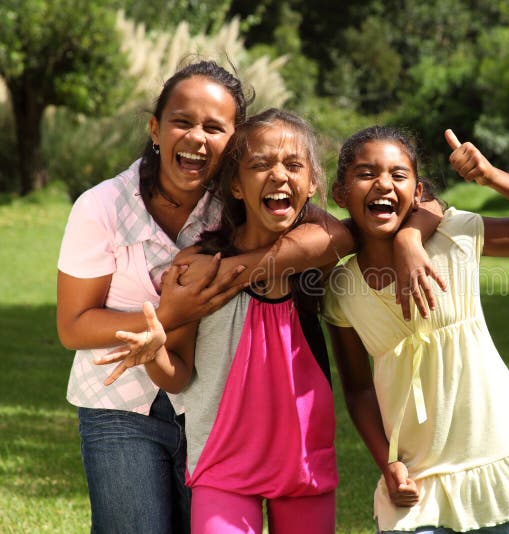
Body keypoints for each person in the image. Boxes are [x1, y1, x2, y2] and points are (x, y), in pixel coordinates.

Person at [103, 110, 445, 533]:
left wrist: (410, 238)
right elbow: (178, 377)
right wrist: (155, 353)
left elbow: (423, 203)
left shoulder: (318, 260)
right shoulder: (195, 268)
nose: (279, 175)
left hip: (304, 466)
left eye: (293, 166)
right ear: (235, 185)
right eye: (261, 164)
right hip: (221, 467)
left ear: (312, 184)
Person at [56, 62, 351, 533]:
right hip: (120, 404)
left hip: (211, 414)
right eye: (182, 121)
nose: (197, 137)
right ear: (155, 128)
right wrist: (171, 313)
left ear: (233, 144)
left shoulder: (240, 193)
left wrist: (234, 271)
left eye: (214, 127)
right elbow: (73, 325)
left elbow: (333, 236)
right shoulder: (101, 207)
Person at [323, 126, 509, 533]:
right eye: (366, 173)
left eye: (398, 174)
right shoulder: (341, 291)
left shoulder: (452, 238)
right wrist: (387, 464)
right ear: (340, 194)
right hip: (418, 483)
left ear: (418, 191)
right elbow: (357, 389)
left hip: (500, 468)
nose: (383, 184)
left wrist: (491, 176)